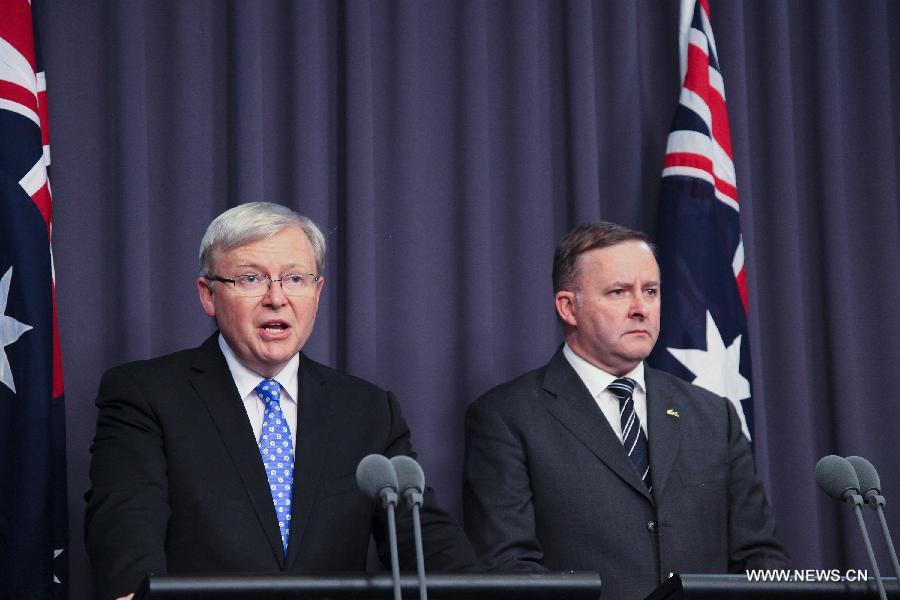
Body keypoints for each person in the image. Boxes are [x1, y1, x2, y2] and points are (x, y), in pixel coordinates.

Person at [85, 202, 477, 600]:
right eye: (251, 278)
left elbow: (423, 535)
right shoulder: (145, 395)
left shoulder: (368, 410)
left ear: (317, 292)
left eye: (294, 278)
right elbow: (126, 529)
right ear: (209, 295)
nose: (277, 298)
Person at [462, 222, 789, 600]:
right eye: (619, 292)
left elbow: (761, 557)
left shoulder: (714, 416)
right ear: (569, 307)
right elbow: (509, 569)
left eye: (650, 291)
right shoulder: (507, 417)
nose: (640, 309)